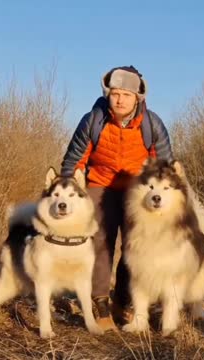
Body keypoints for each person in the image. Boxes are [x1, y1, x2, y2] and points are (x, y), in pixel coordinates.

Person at [60, 65, 173, 331]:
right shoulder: (93, 120)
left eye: (126, 94)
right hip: (100, 185)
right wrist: (67, 190)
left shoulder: (152, 124)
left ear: (138, 98)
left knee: (134, 246)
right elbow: (73, 160)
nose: (120, 99)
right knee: (101, 242)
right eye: (115, 93)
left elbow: (164, 169)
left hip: (138, 191)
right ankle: (100, 302)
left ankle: (122, 300)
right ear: (107, 94)